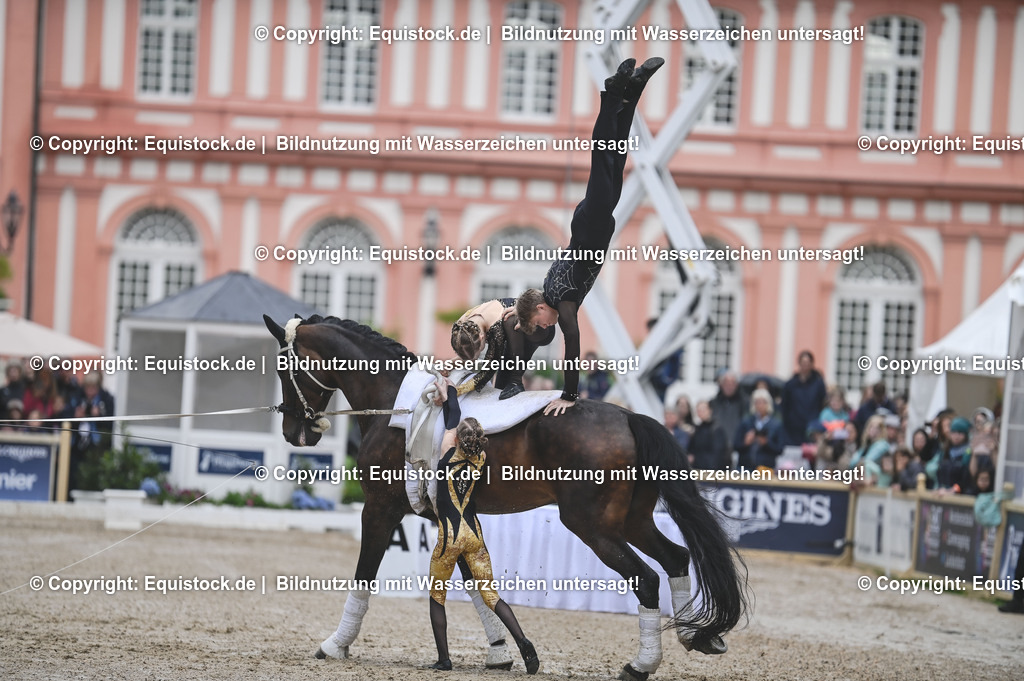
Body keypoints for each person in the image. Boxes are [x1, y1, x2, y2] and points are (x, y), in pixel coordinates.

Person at [514, 57, 665, 416]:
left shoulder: (561, 300)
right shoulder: (548, 290)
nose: (548, 329)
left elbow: (573, 344)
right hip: (592, 222)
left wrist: (569, 394)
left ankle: (613, 95)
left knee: (603, 157)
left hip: (593, 225)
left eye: (540, 325)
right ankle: (635, 89)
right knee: (614, 158)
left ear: (540, 310)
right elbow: (519, 316)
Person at [429, 382, 539, 673]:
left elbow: (453, 415)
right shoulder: (480, 459)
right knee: (492, 596)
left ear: (457, 440)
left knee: (437, 596)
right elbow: (462, 426)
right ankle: (523, 641)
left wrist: (449, 388)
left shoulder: (446, 455)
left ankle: (444, 659)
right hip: (474, 534)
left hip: (450, 537)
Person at [449, 298, 555, 399]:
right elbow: (466, 350)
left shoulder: (496, 328)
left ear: (482, 338)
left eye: (477, 355)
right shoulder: (461, 328)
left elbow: (488, 371)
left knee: (510, 322)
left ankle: (516, 381)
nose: (473, 361)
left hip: (542, 328)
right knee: (499, 386)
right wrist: (451, 363)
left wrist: (458, 390)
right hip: (514, 333)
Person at [780, 350, 827, 447]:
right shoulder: (791, 384)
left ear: (812, 364)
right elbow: (785, 405)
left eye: (808, 363)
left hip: (811, 427)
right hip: (793, 429)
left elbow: (822, 403)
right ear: (799, 363)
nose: (805, 365)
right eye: (803, 362)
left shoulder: (818, 384)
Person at [734, 388, 784, 469]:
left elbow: (780, 449)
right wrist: (745, 442)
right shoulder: (746, 422)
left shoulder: (776, 425)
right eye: (757, 402)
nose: (760, 405)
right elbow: (736, 445)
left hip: (766, 467)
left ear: (768, 403)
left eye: (763, 402)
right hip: (745, 466)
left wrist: (766, 443)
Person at [709, 369, 748, 455]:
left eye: (732, 384)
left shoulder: (743, 403)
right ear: (721, 385)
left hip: (737, 447)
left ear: (736, 385)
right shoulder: (713, 403)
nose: (729, 386)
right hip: (716, 447)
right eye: (726, 384)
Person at [688, 400, 728, 470]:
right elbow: (692, 450)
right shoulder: (697, 429)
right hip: (698, 470)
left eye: (703, 410)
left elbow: (717, 455)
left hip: (712, 472)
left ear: (710, 410)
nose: (701, 412)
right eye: (699, 410)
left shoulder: (716, 429)